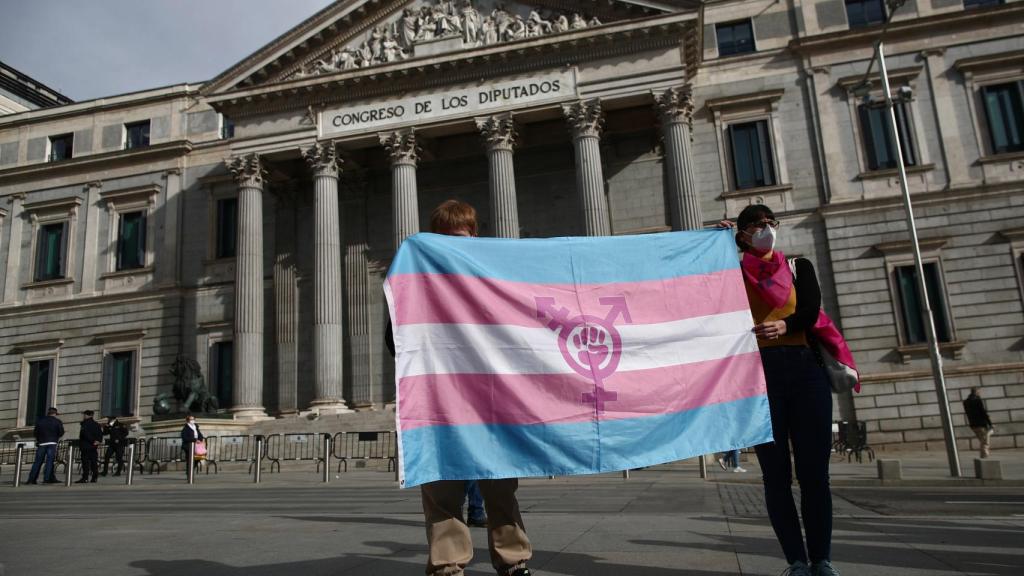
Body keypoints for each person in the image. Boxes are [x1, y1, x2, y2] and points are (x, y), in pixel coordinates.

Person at [387, 200, 533, 576]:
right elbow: (395, 339)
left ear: (474, 236)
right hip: (439, 401)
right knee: (442, 489)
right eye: (446, 239)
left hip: (490, 402)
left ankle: (513, 560)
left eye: (461, 237)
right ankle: (448, 566)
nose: (455, 245)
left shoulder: (491, 279)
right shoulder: (416, 284)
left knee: (500, 487)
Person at [726, 204, 839, 576]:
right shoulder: (731, 272)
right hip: (759, 377)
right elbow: (700, 292)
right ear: (743, 233)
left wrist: (785, 325)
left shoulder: (797, 267)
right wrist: (716, 243)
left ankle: (821, 560)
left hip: (806, 371)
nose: (766, 229)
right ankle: (796, 562)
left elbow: (811, 310)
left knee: (814, 474)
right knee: (776, 477)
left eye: (770, 222)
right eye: (757, 224)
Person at [27, 407, 64, 484]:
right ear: (55, 414)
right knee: (49, 461)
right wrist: (56, 437)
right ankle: (47, 479)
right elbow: (61, 432)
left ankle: (31, 479)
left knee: (37, 462)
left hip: (42, 443)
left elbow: (36, 432)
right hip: (52, 442)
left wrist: (39, 439)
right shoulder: (57, 421)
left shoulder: (40, 421)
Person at [963, 387, 994, 458]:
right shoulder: (977, 400)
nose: (979, 393)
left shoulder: (966, 402)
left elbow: (968, 413)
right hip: (980, 423)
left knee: (982, 439)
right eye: (979, 392)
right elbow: (983, 412)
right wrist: (990, 423)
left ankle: (983, 455)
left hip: (973, 424)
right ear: (976, 392)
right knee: (985, 439)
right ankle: (984, 454)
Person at [76, 410, 103, 483]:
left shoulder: (85, 424)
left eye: (84, 415)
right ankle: (94, 477)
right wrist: (98, 441)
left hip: (86, 445)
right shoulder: (96, 424)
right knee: (94, 462)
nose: (83, 416)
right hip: (94, 446)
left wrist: (92, 440)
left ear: (87, 415)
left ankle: (85, 478)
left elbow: (85, 434)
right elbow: (100, 434)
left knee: (85, 462)